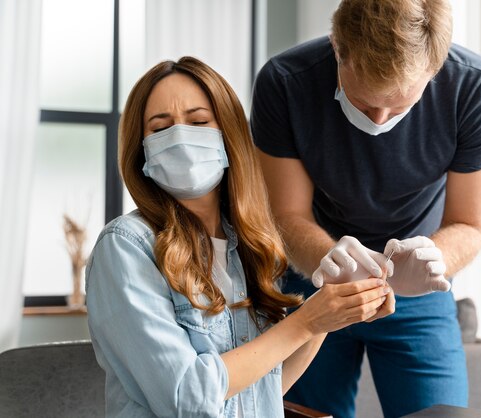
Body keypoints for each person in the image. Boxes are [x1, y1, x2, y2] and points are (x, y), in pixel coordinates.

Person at [85, 56, 395, 418]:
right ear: (142, 151)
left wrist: (330, 312)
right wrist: (306, 320)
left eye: (199, 121)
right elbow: (187, 398)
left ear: (227, 135)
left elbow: (260, 390)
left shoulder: (247, 245)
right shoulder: (125, 247)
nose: (182, 138)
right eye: (160, 128)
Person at [250, 0, 481, 416]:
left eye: (401, 106)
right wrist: (327, 260)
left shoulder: (477, 89)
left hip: (417, 291)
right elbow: (285, 215)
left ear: (435, 67)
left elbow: (471, 222)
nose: (382, 118)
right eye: (367, 105)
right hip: (316, 281)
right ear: (338, 48)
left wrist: (433, 260)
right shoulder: (285, 82)